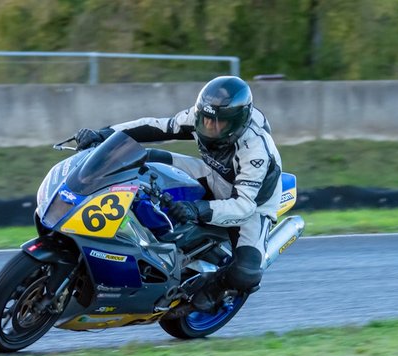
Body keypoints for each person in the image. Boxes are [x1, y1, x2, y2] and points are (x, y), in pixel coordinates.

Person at [74, 76, 282, 299]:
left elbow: (244, 206)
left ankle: (209, 294)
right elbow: (155, 126)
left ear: (238, 122)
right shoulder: (200, 116)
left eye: (219, 123)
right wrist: (104, 134)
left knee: (246, 274)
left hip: (253, 205)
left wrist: (197, 209)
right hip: (213, 173)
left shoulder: (255, 151)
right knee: (144, 159)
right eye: (206, 120)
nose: (209, 128)